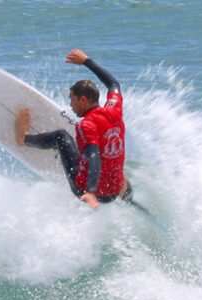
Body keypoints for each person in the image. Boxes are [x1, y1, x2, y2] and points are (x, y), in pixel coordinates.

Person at [15, 49, 132, 209]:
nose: (70, 105)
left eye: (72, 100)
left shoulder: (87, 125)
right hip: (115, 189)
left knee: (61, 137)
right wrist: (86, 61)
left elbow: (94, 157)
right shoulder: (114, 109)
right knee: (114, 167)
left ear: (83, 100)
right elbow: (113, 84)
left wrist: (90, 191)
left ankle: (24, 139)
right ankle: (127, 196)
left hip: (88, 190)